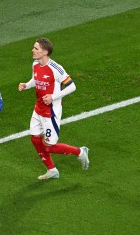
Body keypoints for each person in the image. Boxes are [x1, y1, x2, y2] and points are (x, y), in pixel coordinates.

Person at [18, 38, 89, 180]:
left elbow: (72, 86)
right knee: (35, 139)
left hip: (51, 113)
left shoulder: (56, 69)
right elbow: (36, 80)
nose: (33, 50)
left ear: (45, 52)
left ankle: (80, 152)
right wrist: (27, 85)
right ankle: (52, 170)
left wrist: (53, 97)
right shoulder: (35, 64)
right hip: (38, 109)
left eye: (36, 48)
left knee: (49, 146)